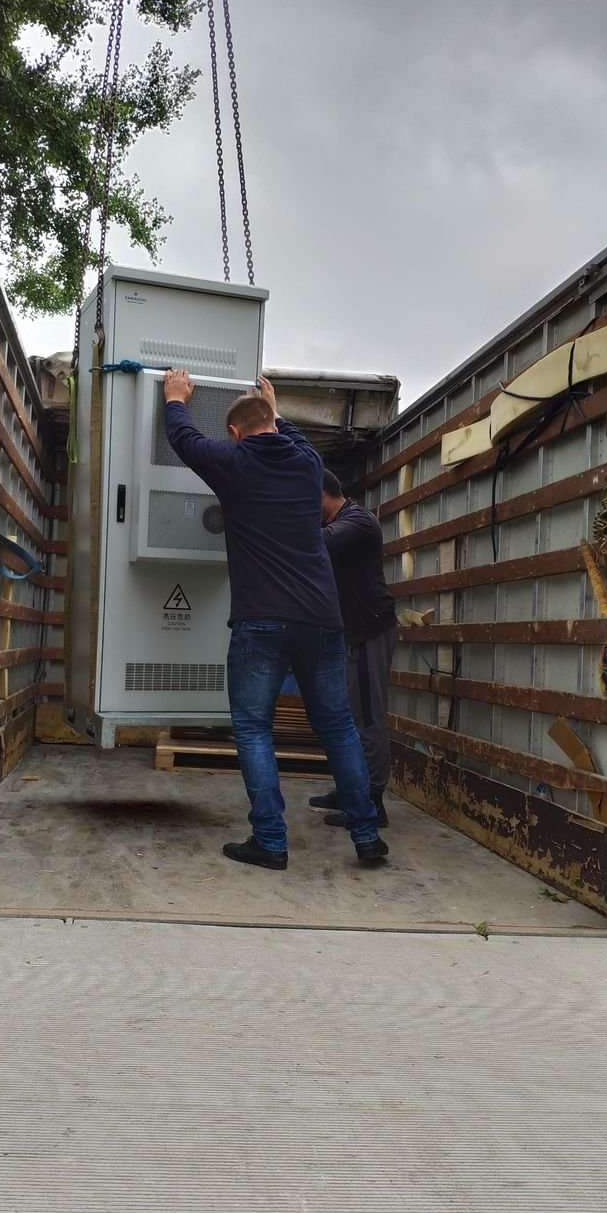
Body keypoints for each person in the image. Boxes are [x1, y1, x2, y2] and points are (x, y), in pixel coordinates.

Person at [162, 368, 387, 870]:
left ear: (235, 433)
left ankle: (270, 840)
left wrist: (175, 398)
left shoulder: (233, 461)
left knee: (253, 728)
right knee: (339, 728)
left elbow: (184, 440)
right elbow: (291, 434)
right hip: (323, 618)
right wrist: (275, 406)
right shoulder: (308, 464)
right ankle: (367, 835)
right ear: (272, 421)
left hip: (262, 619)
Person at [310, 469, 397, 829]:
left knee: (368, 717)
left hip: (369, 630)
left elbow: (317, 542)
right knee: (344, 716)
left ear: (322, 494)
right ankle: (350, 789)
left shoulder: (358, 521)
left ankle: (372, 802)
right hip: (351, 632)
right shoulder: (338, 522)